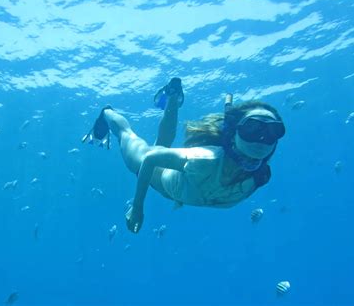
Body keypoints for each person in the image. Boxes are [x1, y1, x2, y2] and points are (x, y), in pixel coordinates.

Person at [82, 78, 285, 233]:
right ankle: (106, 113)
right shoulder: (204, 159)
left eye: (273, 132)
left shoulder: (260, 176)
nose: (261, 138)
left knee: (162, 143)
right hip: (156, 173)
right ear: (234, 133)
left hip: (177, 184)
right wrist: (137, 208)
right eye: (252, 128)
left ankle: (172, 96)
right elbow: (150, 159)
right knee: (128, 138)